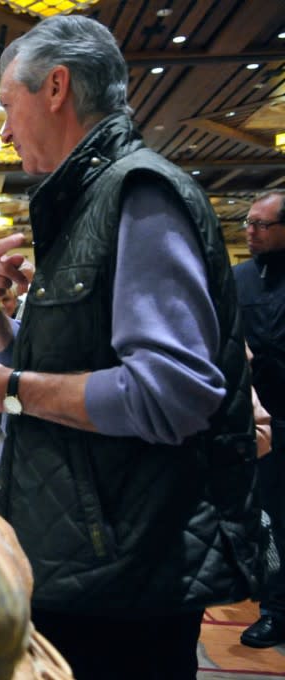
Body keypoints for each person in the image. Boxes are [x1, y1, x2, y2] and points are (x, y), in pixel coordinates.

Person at [0, 16, 262, 679]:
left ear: (56, 87)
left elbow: (171, 394)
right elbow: (64, 371)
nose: (1, 130)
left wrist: (7, 392)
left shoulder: (139, 194)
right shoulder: (90, 203)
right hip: (90, 563)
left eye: (6, 103)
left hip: (127, 578)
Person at [234, 190, 285, 648]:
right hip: (261, 422)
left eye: (261, 224)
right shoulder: (238, 279)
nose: (250, 231)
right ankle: (275, 610)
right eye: (248, 222)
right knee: (270, 517)